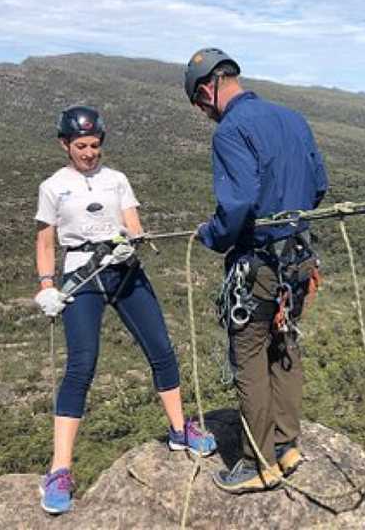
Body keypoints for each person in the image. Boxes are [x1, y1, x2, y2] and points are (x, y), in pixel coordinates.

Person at [33, 105, 216, 515]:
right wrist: (47, 285)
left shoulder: (116, 180)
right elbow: (46, 241)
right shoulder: (53, 187)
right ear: (65, 144)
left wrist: (129, 238)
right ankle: (59, 469)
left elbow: (133, 223)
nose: (89, 153)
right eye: (81, 146)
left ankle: (177, 430)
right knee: (82, 365)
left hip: (124, 268)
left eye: (94, 145)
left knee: (162, 349)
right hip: (83, 275)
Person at [184, 48, 328, 494]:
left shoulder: (230, 131)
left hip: (258, 266)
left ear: (207, 89)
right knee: (285, 346)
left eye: (200, 105)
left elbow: (238, 203)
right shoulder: (292, 118)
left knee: (250, 359)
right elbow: (319, 185)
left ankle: (257, 462)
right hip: (298, 260)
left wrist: (212, 236)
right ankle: (287, 445)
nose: (205, 114)